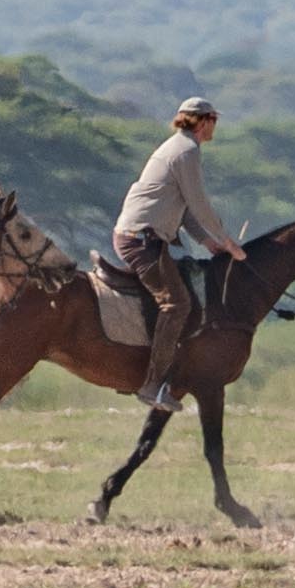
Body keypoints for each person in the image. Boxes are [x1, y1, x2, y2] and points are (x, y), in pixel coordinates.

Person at [110, 94, 244, 415]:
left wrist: (207, 242)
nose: (215, 126)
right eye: (214, 119)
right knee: (178, 304)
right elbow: (198, 204)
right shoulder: (186, 151)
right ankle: (152, 385)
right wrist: (226, 241)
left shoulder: (180, 148)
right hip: (143, 241)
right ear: (202, 120)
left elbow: (184, 212)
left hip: (144, 238)